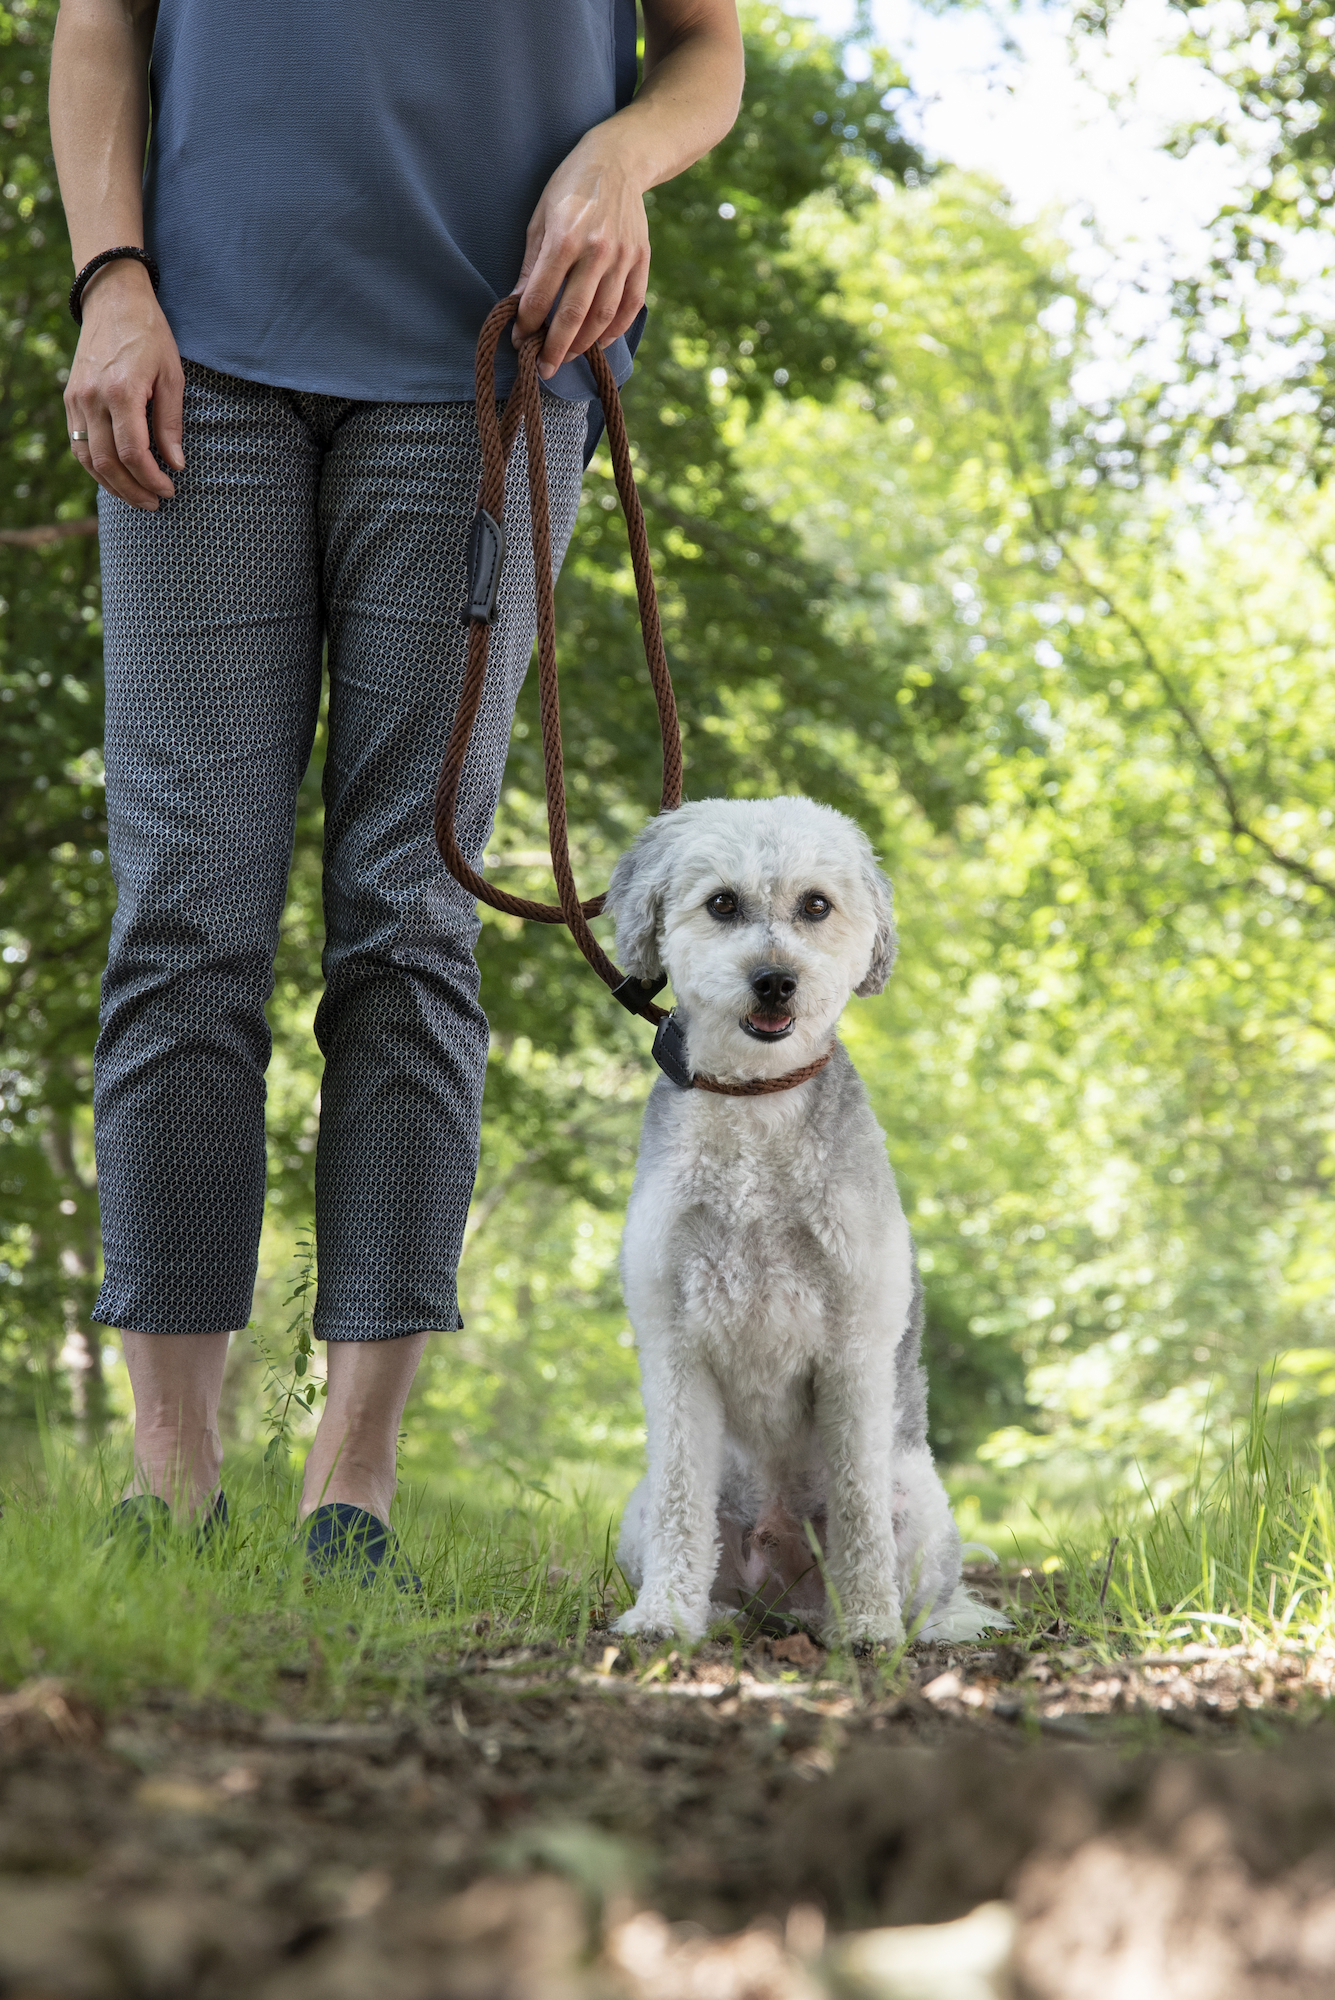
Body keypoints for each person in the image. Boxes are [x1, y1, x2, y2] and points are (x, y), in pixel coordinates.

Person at [50, 0, 743, 1566]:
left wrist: (624, 157)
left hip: (493, 369)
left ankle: (349, 1490)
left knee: (411, 923)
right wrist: (111, 280)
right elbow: (99, 23)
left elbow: (707, 45)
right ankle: (171, 1478)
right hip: (193, 361)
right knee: (183, 920)